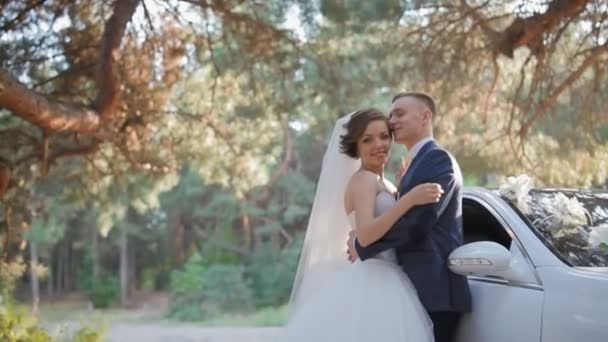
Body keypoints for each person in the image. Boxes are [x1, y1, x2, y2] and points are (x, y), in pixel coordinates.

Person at [280, 108, 442, 342]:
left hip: (391, 275)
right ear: (356, 146)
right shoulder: (363, 179)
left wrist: (400, 191)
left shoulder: (383, 182)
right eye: (368, 139)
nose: (379, 144)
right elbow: (365, 237)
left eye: (384, 136)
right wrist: (409, 199)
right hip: (374, 279)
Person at [348, 92, 472, 342]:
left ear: (425, 116)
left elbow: (418, 224)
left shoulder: (438, 159)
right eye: (391, 114)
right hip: (408, 290)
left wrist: (363, 245)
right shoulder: (412, 166)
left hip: (434, 290)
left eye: (400, 113)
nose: (392, 120)